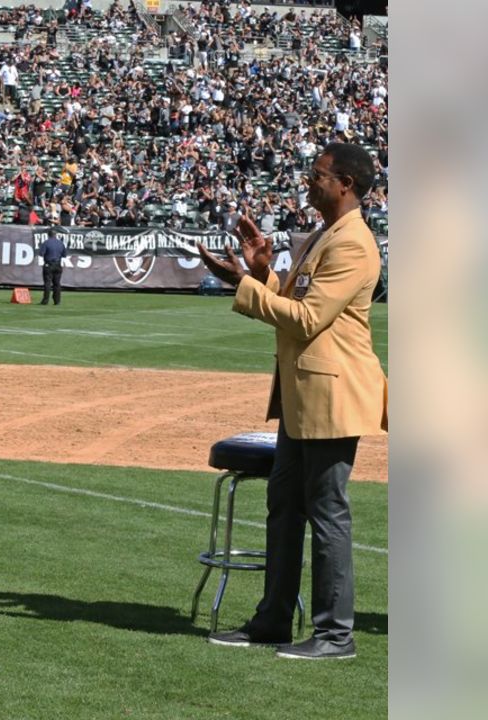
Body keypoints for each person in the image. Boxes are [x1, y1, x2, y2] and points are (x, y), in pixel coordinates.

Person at [198, 143, 388, 661]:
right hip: (304, 395)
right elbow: (297, 300)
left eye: (318, 175)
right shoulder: (323, 236)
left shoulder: (353, 243)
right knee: (284, 508)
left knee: (328, 513)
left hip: (332, 396)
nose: (310, 181)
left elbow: (308, 320)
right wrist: (262, 274)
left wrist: (243, 286)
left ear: (346, 182)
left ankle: (334, 635)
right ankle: (272, 621)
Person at [38, 231, 67, 306]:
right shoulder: (61, 243)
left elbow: (41, 254)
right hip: (58, 265)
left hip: (49, 264)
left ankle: (45, 301)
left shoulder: (46, 243)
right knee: (57, 284)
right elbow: (64, 255)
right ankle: (57, 301)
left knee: (47, 283)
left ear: (48, 235)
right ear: (56, 235)